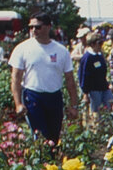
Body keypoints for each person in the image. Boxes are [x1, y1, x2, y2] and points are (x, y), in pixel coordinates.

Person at [10, 12, 79, 145]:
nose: (33, 30)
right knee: (40, 134)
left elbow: (70, 80)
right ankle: (43, 163)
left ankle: (52, 163)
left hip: (54, 97)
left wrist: (74, 105)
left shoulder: (61, 50)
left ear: (48, 27)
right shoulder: (22, 48)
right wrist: (18, 103)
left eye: (37, 27)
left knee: (54, 136)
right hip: (33, 96)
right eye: (31, 27)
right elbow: (16, 78)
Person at [77, 29, 113, 124]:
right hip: (93, 90)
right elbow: (83, 75)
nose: (101, 45)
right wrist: (85, 93)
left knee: (111, 105)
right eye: (99, 43)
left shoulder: (99, 55)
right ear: (92, 44)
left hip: (103, 87)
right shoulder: (87, 57)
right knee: (96, 113)